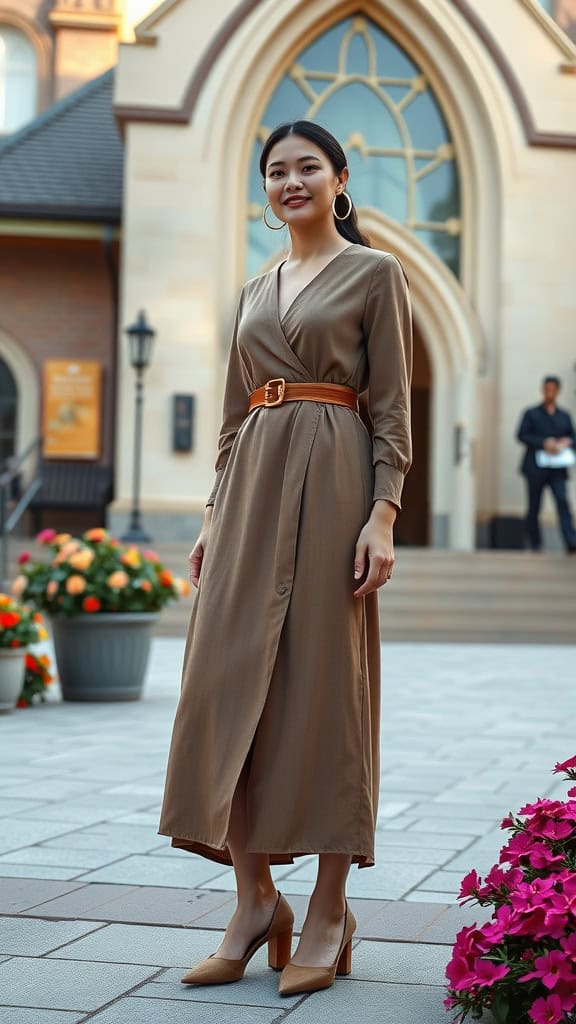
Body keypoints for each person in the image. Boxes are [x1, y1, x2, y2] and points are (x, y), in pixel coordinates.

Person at [157, 120, 413, 996]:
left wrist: (381, 516)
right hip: (250, 499)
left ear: (340, 179)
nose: (291, 181)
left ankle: (332, 906)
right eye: (277, 171)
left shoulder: (377, 274)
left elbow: (391, 410)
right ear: (265, 190)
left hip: (337, 485)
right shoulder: (253, 288)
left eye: (308, 167)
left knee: (324, 691)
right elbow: (232, 419)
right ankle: (255, 898)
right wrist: (210, 514)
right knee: (223, 688)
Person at [516, 375, 576, 553]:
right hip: (536, 467)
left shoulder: (564, 416)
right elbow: (522, 435)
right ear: (543, 390)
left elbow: (573, 437)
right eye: (546, 389)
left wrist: (567, 442)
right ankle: (535, 543)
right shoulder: (531, 413)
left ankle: (571, 540)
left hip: (557, 468)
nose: (549, 392)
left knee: (562, 501)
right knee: (534, 505)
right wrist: (543, 443)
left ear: (557, 391)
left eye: (553, 389)